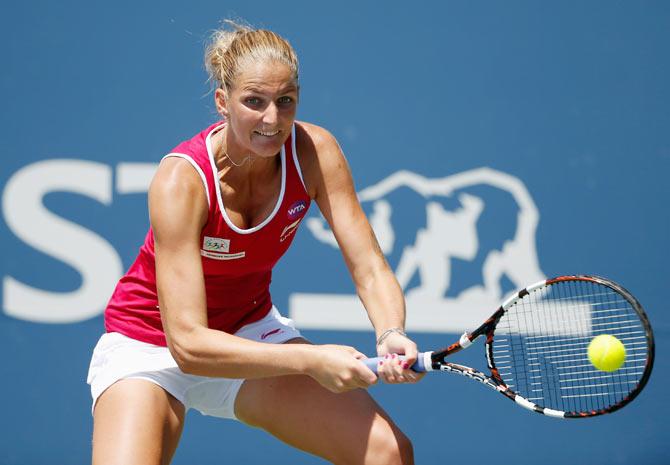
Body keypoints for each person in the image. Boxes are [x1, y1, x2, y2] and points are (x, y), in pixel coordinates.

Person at [87, 20, 423, 465]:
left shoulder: (314, 152)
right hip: (151, 345)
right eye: (254, 102)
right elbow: (187, 344)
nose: (272, 119)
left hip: (249, 331)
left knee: (388, 453)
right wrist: (311, 361)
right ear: (222, 102)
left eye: (286, 102)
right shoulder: (180, 181)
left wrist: (391, 330)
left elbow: (369, 266)